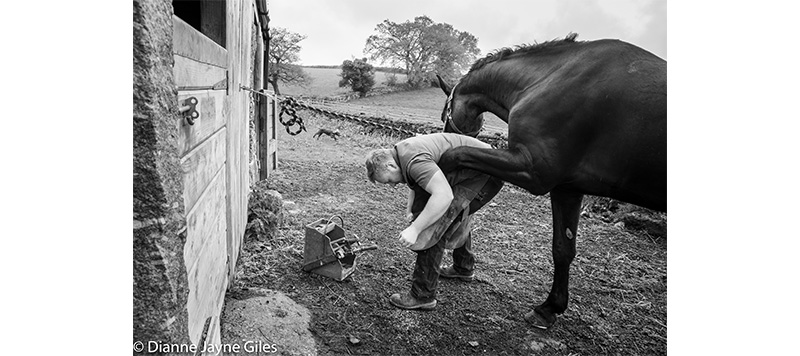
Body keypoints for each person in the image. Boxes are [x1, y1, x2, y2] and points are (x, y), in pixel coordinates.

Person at [365, 132, 504, 310]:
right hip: (478, 167)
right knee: (454, 213)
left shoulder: (414, 161)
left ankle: (422, 295)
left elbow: (443, 195)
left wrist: (415, 229)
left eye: (389, 181)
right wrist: (410, 209)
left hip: (486, 173)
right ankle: (463, 267)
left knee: (435, 223)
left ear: (390, 165)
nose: (392, 186)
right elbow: (417, 182)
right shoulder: (402, 151)